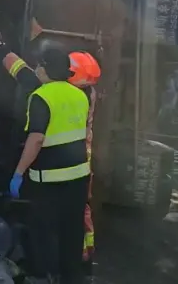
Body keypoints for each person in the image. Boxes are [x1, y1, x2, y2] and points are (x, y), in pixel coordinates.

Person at [0, 28, 92, 284]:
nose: (36, 68)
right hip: (79, 177)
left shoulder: (40, 96)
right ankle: (73, 276)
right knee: (72, 229)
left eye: (40, 65)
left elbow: (36, 139)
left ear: (45, 69)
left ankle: (45, 275)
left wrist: (18, 174)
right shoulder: (80, 95)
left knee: (43, 230)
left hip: (49, 180)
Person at [67, 50, 102, 272]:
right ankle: (86, 250)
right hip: (83, 156)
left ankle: (77, 252)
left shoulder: (73, 95)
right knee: (82, 206)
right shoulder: (89, 92)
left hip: (73, 157)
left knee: (74, 207)